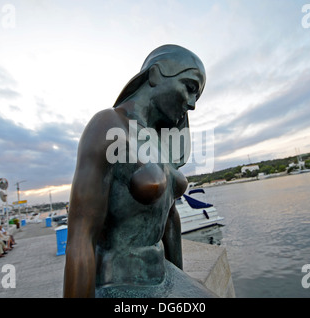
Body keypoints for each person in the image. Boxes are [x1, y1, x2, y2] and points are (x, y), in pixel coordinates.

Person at [64, 45, 215, 298]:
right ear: (155, 75)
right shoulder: (109, 125)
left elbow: (169, 218)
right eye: (189, 88)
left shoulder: (160, 142)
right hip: (120, 284)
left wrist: (180, 279)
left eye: (196, 97)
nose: (191, 105)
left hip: (162, 276)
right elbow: (81, 234)